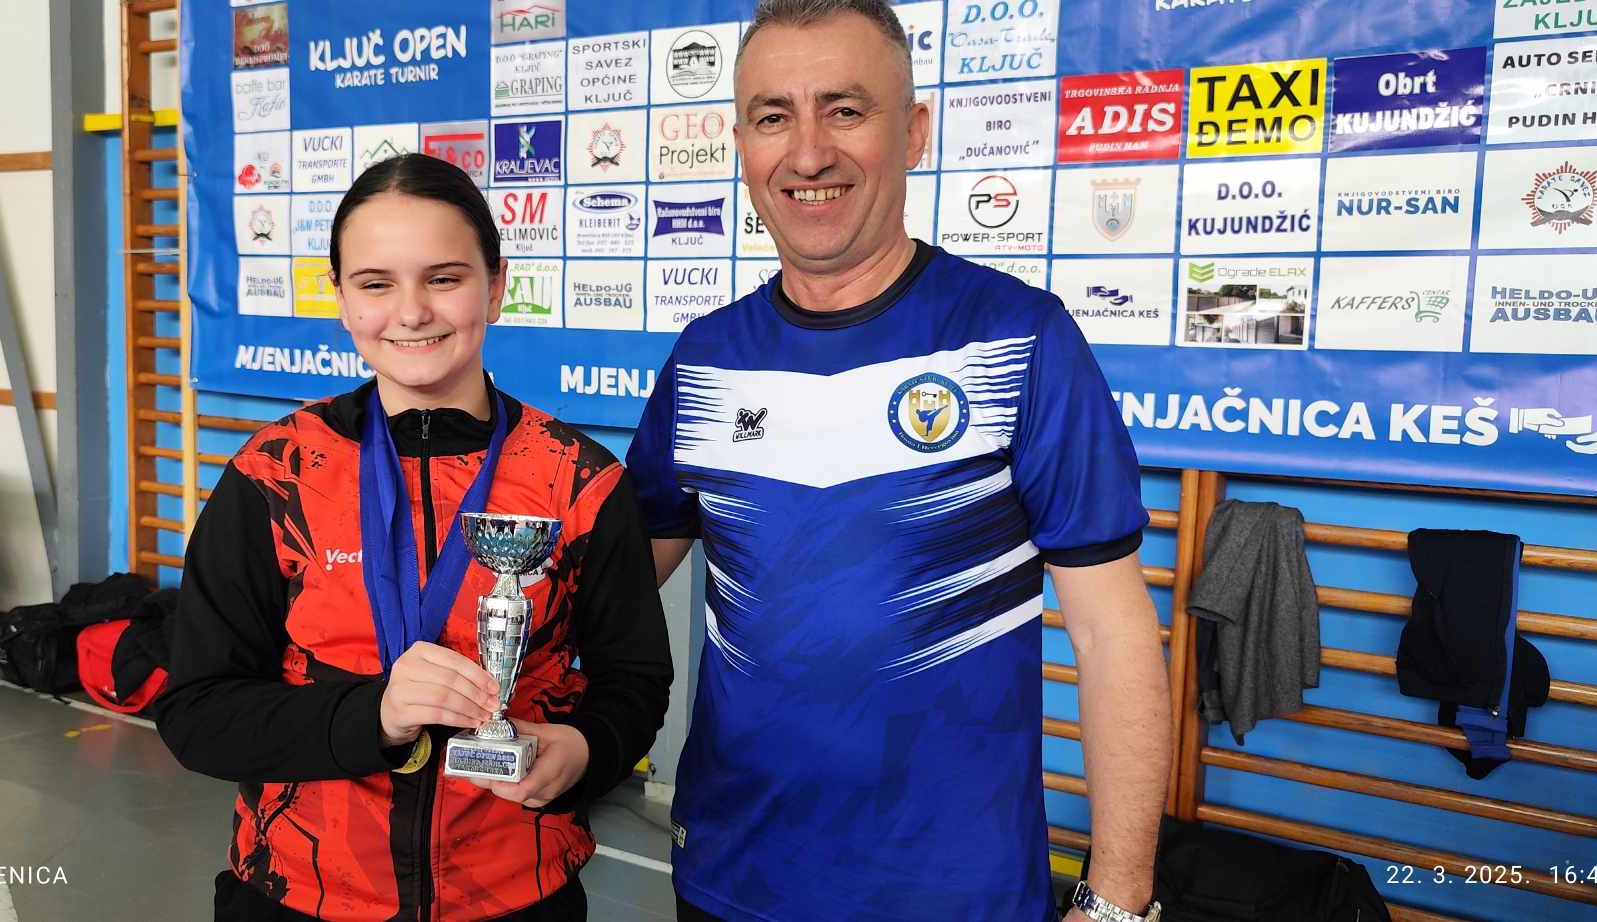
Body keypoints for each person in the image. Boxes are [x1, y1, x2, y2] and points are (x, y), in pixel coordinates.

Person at [624, 2, 1171, 920]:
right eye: (773, 117)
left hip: (953, 896)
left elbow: (1112, 636)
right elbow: (612, 587)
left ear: (913, 132)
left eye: (845, 110)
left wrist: (1118, 899)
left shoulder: (1019, 338)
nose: (808, 154)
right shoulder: (707, 358)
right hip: (731, 879)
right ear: (742, 145)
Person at [158, 153, 673, 922]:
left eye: (443, 277)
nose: (412, 312)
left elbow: (634, 680)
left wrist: (587, 750)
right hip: (297, 895)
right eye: (376, 284)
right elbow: (197, 713)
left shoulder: (580, 482)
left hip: (516, 897)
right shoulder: (274, 475)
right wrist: (373, 717)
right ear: (342, 299)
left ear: (494, 287)